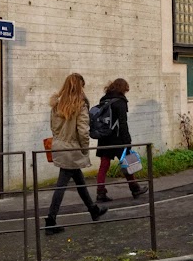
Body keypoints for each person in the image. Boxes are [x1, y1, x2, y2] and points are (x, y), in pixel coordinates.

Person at [45, 73, 108, 234]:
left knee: (79, 181)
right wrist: (84, 149)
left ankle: (93, 210)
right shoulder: (80, 106)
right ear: (80, 87)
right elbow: (83, 131)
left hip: (60, 146)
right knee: (61, 185)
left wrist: (60, 140)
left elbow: (53, 127)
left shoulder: (56, 105)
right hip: (73, 148)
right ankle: (50, 220)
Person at [94, 78, 147, 202]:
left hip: (104, 137)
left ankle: (100, 192)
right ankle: (134, 188)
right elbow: (123, 124)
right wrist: (127, 141)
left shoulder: (104, 99)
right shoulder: (120, 102)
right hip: (117, 138)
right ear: (122, 89)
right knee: (127, 163)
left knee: (104, 165)